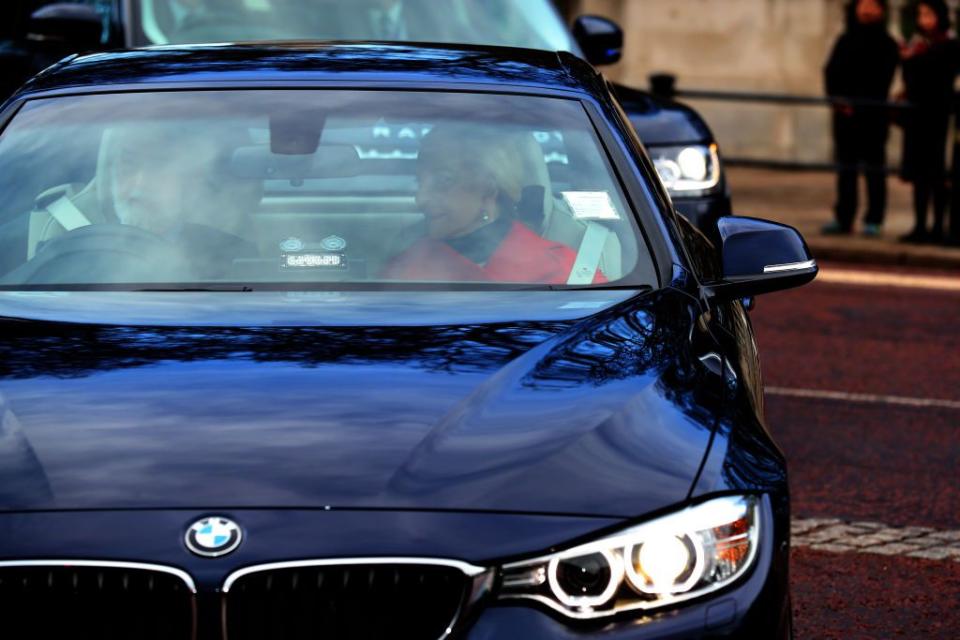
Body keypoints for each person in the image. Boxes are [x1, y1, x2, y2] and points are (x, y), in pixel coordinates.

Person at [382, 125, 606, 284]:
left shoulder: (565, 272)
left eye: (443, 181)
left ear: (489, 188)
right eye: (419, 182)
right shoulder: (406, 266)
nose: (421, 199)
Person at [823, 0, 899, 237]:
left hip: (873, 117)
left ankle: (874, 219)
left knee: (875, 171)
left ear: (882, 10)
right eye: (863, 5)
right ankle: (844, 218)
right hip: (845, 118)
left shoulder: (887, 44)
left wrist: (861, 103)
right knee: (846, 170)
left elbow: (882, 79)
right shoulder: (845, 40)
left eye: (872, 5)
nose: (866, 10)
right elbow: (830, 72)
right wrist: (837, 100)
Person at [899, 0, 960, 243]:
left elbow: (938, 77)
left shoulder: (949, 44)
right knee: (919, 175)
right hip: (918, 117)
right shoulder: (918, 45)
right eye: (921, 14)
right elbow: (911, 78)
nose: (924, 20)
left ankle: (938, 226)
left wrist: (914, 60)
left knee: (937, 175)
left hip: (939, 116)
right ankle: (920, 225)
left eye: (929, 14)